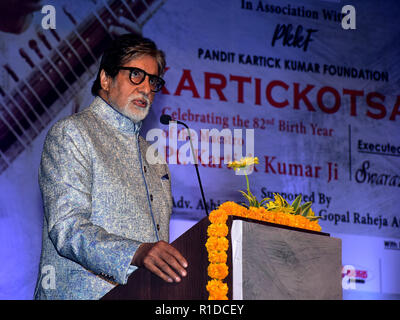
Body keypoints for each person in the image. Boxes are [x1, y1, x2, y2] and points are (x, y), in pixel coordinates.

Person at [34, 34, 188, 300]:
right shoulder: (73, 133)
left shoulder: (153, 156)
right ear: (106, 79)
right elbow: (67, 228)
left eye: (153, 81)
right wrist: (136, 253)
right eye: (135, 75)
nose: (146, 89)